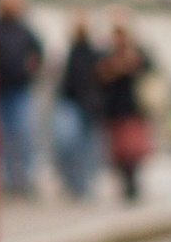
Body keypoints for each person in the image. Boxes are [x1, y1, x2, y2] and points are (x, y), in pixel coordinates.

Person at [0, 0, 42, 198]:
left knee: (23, 135)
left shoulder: (24, 31)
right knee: (1, 137)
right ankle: (6, 179)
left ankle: (25, 179)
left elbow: (39, 53)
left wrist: (31, 71)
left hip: (20, 91)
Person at [98, 19, 155, 204]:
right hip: (115, 109)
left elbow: (150, 70)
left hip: (133, 108)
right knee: (119, 151)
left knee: (133, 149)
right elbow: (98, 76)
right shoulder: (107, 55)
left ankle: (133, 184)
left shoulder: (138, 53)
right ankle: (125, 184)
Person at [55, 18, 104, 198]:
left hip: (88, 105)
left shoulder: (94, 51)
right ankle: (72, 181)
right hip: (70, 103)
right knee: (68, 143)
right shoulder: (65, 50)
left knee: (87, 148)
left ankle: (84, 184)